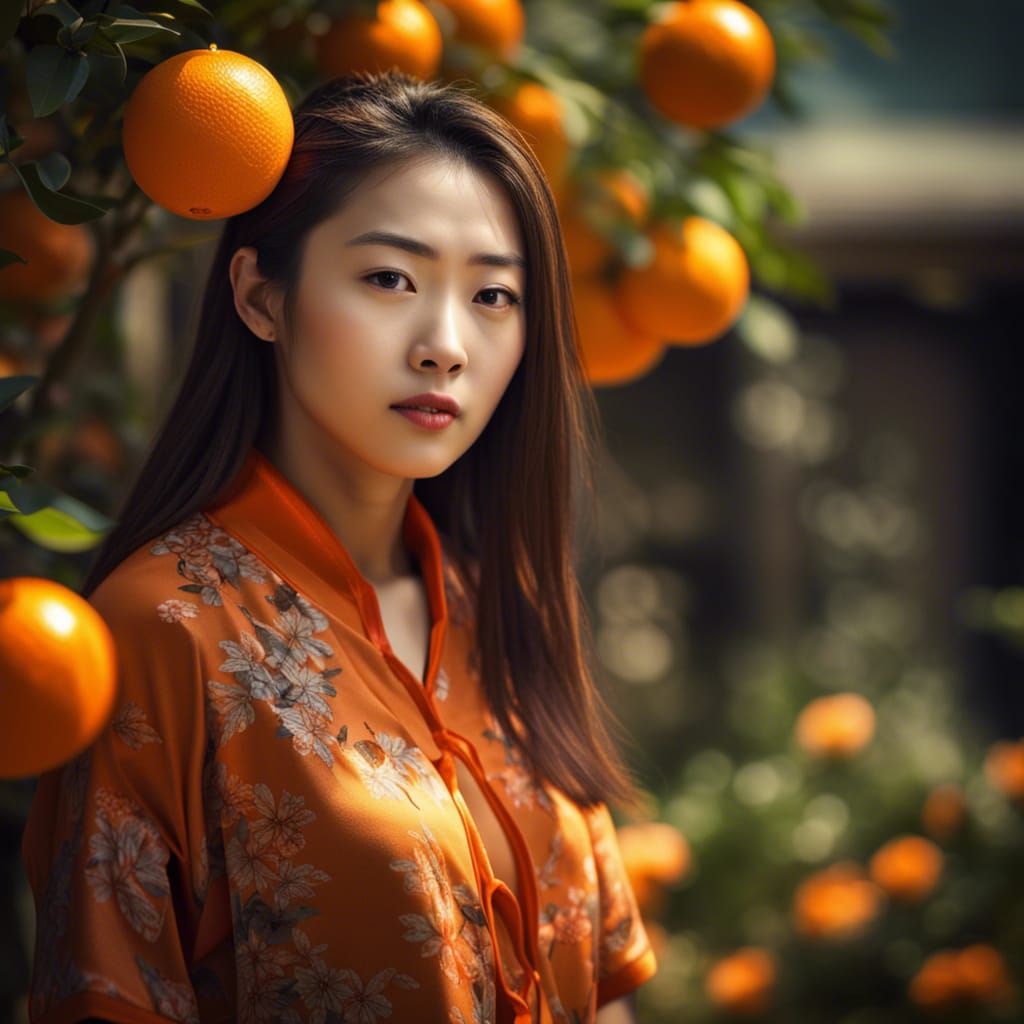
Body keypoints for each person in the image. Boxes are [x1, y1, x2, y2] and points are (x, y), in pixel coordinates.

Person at [20, 69, 658, 1024]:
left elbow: (605, 991)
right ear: (260, 295)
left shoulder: (496, 610)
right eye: (390, 278)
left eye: (493, 296)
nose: (445, 343)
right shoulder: (164, 630)